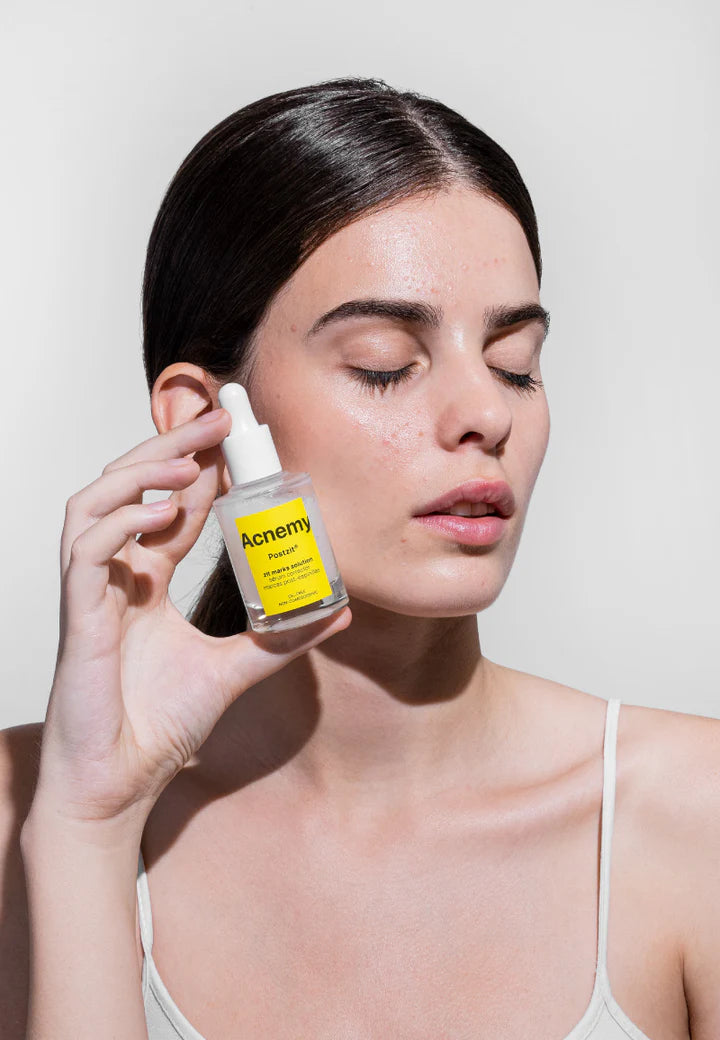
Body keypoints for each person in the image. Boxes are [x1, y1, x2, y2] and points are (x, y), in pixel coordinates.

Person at [1, 76, 717, 1039]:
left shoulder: (695, 817)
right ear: (207, 422)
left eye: (515, 364)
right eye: (385, 363)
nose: (487, 412)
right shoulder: (31, 813)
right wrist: (87, 828)